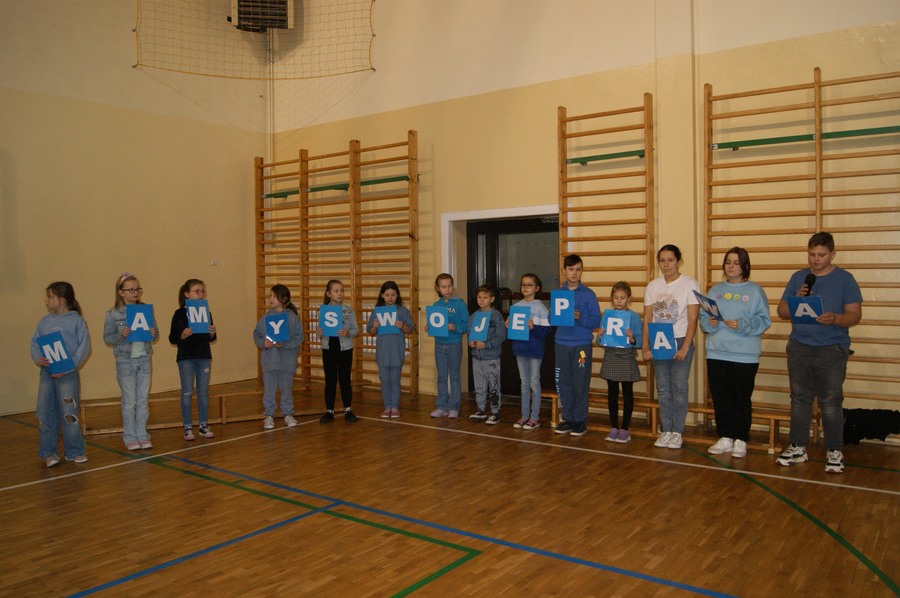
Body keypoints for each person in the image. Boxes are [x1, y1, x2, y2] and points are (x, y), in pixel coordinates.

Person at [776, 232, 862, 473]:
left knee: (831, 402)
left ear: (832, 254)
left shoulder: (845, 279)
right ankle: (797, 446)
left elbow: (855, 315)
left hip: (831, 348)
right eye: (812, 254)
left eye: (821, 255)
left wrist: (836, 319)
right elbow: (781, 311)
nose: (815, 259)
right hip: (800, 346)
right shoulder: (799, 277)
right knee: (799, 399)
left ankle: (834, 450)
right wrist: (795, 300)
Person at [699, 248, 771, 458]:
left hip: (744, 355)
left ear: (745, 266)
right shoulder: (715, 290)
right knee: (720, 397)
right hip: (717, 353)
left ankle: (740, 438)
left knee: (740, 398)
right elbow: (704, 318)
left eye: (736, 262)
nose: (731, 266)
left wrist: (743, 324)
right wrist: (709, 323)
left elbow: (764, 321)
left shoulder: (755, 291)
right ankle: (725, 436)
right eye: (728, 262)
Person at [642, 245, 700, 450]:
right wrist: (645, 344)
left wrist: (685, 347)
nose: (666, 264)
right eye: (662, 260)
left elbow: (692, 319)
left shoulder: (690, 284)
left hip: (680, 339)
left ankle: (677, 431)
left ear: (679, 262)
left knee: (679, 387)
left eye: (670, 260)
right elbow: (648, 317)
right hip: (659, 340)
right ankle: (666, 430)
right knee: (664, 388)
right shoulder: (653, 286)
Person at [30, 282, 91, 467]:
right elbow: (35, 343)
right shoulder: (44, 322)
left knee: (69, 414)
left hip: (67, 376)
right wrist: (38, 357)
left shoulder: (77, 321)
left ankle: (75, 451)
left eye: (50, 297)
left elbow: (84, 348)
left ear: (62, 300)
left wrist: (69, 367)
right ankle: (49, 453)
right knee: (45, 413)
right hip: (47, 375)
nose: (46, 301)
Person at [103, 273, 158, 451]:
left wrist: (152, 333)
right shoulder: (113, 314)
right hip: (125, 361)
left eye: (138, 289)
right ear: (121, 292)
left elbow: (155, 334)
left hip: (144, 359)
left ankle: (142, 434)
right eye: (131, 290)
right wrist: (121, 335)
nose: (135, 293)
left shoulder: (146, 310)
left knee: (142, 400)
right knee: (129, 401)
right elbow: (107, 338)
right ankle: (130, 436)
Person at [554, 254, 602, 437]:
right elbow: (552, 320)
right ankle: (568, 418)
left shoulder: (588, 294)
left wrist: (581, 317)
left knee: (580, 382)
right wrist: (554, 314)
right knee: (564, 382)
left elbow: (596, 321)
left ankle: (580, 420)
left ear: (582, 271)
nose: (574, 273)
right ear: (564, 271)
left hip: (581, 345)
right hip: (561, 344)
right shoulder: (559, 294)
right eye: (571, 269)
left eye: (578, 269)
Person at [169, 278, 217, 442]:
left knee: (203, 392)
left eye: (203, 291)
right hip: (186, 357)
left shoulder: (206, 312)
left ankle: (203, 424)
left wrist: (212, 333)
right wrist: (182, 335)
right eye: (197, 291)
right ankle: (187, 426)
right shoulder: (179, 314)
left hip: (203, 356)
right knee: (187, 391)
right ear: (186, 294)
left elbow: (210, 337)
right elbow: (172, 338)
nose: (201, 294)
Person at [597, 281, 643, 443]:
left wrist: (632, 338)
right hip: (611, 356)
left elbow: (640, 340)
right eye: (616, 297)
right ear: (612, 298)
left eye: (623, 298)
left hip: (626, 357)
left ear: (629, 299)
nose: (619, 301)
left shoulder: (634, 317)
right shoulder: (607, 315)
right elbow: (601, 341)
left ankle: (625, 429)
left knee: (627, 393)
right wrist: (600, 335)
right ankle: (614, 427)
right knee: (612, 393)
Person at [253, 284, 304, 429]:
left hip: (287, 361)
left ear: (284, 299)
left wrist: (286, 344)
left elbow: (299, 337)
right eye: (270, 296)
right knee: (269, 390)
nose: (271, 299)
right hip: (270, 361)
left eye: (274, 296)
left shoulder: (292, 318)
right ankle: (269, 415)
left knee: (286, 389)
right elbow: (256, 334)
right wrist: (263, 343)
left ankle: (288, 414)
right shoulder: (266, 317)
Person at [367, 281, 414, 419]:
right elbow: (371, 332)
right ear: (382, 295)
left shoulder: (402, 311)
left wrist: (402, 326)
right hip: (382, 353)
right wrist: (375, 326)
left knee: (395, 380)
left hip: (397, 351)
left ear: (397, 295)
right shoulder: (377, 311)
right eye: (387, 295)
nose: (390, 297)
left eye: (393, 294)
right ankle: (387, 406)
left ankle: (395, 406)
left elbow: (410, 329)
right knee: (385, 381)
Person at [510, 273, 550, 430]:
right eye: (523, 285)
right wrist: (509, 325)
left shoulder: (540, 307)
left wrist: (533, 328)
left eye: (529, 285)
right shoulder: (516, 307)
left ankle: (535, 417)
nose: (525, 288)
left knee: (534, 382)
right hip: (520, 349)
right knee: (524, 383)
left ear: (537, 288)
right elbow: (514, 331)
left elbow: (546, 331)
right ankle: (524, 415)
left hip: (534, 350)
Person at [428, 273, 469, 419]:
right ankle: (442, 406)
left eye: (449, 286)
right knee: (441, 376)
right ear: (438, 288)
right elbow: (434, 323)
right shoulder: (436, 305)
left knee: (455, 376)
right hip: (439, 344)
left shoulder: (459, 303)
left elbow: (466, 324)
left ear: (453, 286)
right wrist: (429, 326)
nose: (447, 289)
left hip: (454, 344)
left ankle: (453, 407)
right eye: (444, 287)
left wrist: (455, 327)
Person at [319, 279, 360, 423]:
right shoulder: (323, 310)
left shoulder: (348, 310)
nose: (340, 293)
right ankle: (329, 410)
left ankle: (347, 409)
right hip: (329, 347)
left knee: (344, 379)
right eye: (336, 291)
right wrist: (319, 332)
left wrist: (348, 333)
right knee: (330, 380)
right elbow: (320, 331)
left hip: (345, 348)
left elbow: (356, 330)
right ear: (328, 294)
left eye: (342, 290)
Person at [467, 284, 507, 424]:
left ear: (492, 299)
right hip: (477, 357)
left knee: (493, 385)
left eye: (485, 297)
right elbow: (470, 334)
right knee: (479, 385)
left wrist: (487, 345)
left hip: (491, 357)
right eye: (479, 297)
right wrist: (471, 342)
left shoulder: (495, 316)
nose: (482, 300)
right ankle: (481, 409)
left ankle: (495, 411)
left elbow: (501, 336)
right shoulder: (474, 316)